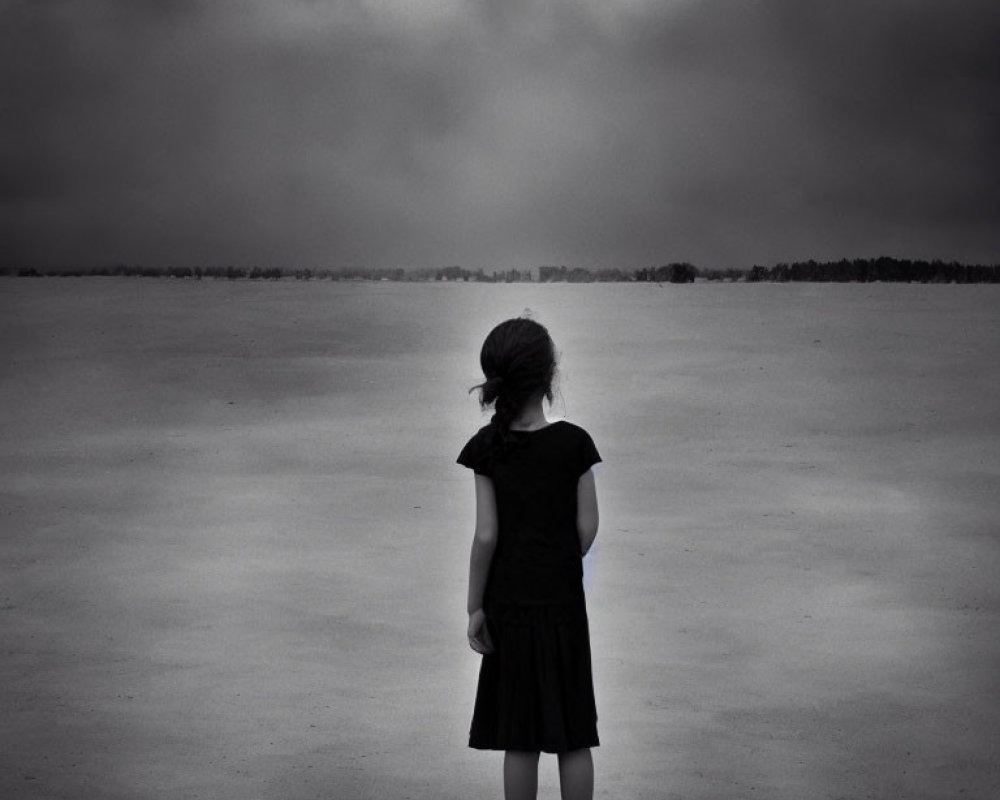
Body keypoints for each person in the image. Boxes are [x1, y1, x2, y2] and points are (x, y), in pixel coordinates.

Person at [457, 317, 601, 800]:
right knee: (573, 732)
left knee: (519, 737)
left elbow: (486, 536)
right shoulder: (576, 443)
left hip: (509, 609)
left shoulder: (487, 448)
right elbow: (586, 529)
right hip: (562, 606)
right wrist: (558, 554)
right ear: (549, 376)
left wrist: (474, 606)